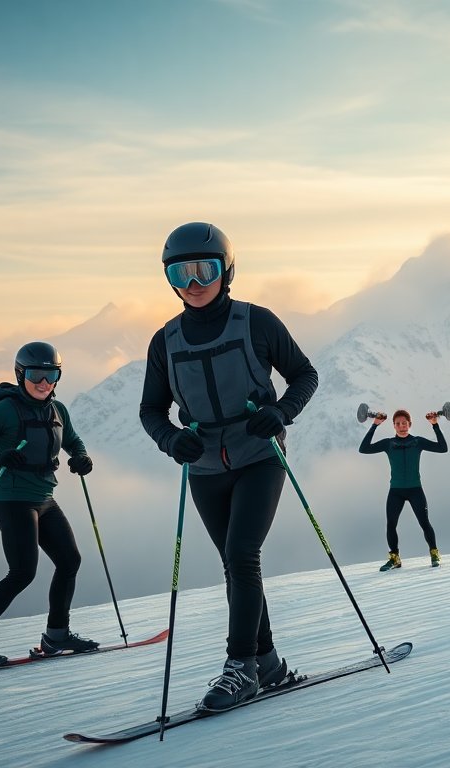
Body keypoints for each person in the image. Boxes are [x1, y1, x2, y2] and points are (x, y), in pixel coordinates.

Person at [139, 222, 319, 711]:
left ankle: (239, 667)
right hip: (204, 470)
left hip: (260, 455)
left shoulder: (257, 322)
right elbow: (150, 410)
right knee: (235, 565)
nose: (193, 283)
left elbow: (305, 374)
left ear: (227, 270)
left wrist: (279, 413)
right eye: (181, 272)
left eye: (205, 269)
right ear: (169, 278)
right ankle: (269, 664)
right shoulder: (166, 341)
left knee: (242, 555)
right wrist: (170, 439)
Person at [0, 341, 98, 667]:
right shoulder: (2, 412)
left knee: (70, 560)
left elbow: (73, 441)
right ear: (21, 374)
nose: (44, 382)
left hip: (45, 497)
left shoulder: (59, 411)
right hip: (12, 500)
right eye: (36, 374)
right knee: (22, 573)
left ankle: (56, 635)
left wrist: (82, 457)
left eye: (52, 374)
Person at [359, 408, 448, 571]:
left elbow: (443, 448)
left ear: (410, 424)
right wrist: (375, 425)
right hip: (396, 491)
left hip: (415, 490)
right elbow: (363, 449)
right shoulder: (388, 443)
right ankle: (394, 558)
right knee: (391, 525)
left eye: (404, 423)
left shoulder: (418, 442)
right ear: (394, 426)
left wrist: (435, 425)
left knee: (424, 523)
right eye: (398, 424)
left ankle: (434, 554)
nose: (402, 426)